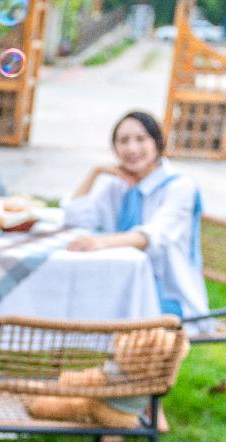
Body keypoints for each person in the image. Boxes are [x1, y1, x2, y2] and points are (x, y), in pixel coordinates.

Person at [63, 110, 209, 323]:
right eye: (123, 141)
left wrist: (100, 243)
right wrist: (95, 173)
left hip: (169, 299)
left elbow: (151, 237)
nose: (132, 148)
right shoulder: (118, 184)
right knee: (75, 306)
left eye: (141, 139)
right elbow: (75, 217)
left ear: (157, 143)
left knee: (87, 314)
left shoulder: (180, 187)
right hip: (123, 287)